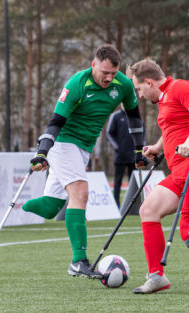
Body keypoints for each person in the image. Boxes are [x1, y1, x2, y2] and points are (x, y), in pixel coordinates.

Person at [22, 44, 148, 279]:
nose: (109, 78)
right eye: (104, 73)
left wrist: (139, 150)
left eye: (113, 73)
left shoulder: (124, 85)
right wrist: (42, 152)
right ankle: (79, 260)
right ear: (93, 65)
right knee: (80, 193)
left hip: (84, 148)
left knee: (50, 208)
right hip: (63, 143)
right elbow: (55, 122)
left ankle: (22, 204)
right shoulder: (76, 84)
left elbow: (134, 118)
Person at [127, 58, 189, 294]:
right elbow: (175, 127)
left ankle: (188, 216)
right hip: (179, 169)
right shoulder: (165, 99)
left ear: (149, 82)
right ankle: (156, 276)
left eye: (139, 89)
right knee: (148, 210)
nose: (140, 95)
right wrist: (157, 147)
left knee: (182, 206)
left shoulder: (180, 87)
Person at [106, 104, 136, 207]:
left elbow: (142, 132)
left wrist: (140, 148)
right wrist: (117, 147)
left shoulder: (135, 115)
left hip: (133, 154)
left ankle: (133, 205)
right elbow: (109, 133)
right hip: (120, 155)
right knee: (118, 180)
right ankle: (116, 204)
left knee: (133, 181)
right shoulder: (115, 116)